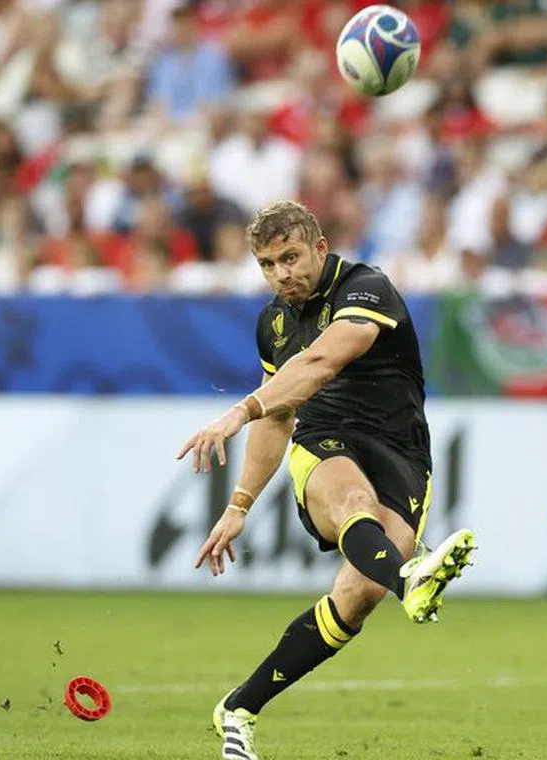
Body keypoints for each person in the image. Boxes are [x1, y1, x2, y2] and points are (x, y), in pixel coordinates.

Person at [175, 200, 476, 760]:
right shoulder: (274, 322)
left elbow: (320, 364)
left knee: (358, 594)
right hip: (326, 435)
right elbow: (283, 415)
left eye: (290, 257)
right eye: (266, 264)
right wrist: (239, 504)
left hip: (400, 448)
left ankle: (238, 707)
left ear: (319, 248)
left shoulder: (366, 287)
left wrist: (237, 412)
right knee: (353, 503)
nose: (280, 274)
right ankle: (411, 580)